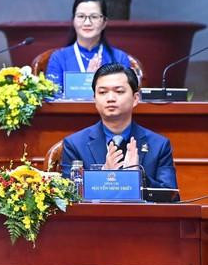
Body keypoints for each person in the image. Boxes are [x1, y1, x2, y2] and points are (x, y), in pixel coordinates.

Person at [61, 63, 178, 194]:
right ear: (95, 99)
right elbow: (67, 196)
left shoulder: (159, 145)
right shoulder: (75, 144)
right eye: (103, 92)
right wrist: (103, 178)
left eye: (119, 91)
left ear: (135, 98)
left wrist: (138, 177)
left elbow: (172, 196)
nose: (110, 98)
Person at [46, 0, 131, 93]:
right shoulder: (58, 58)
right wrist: (87, 80)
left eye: (94, 17)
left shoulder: (119, 58)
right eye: (81, 16)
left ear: (104, 22)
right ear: (73, 21)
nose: (87, 23)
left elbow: (125, 95)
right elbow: (52, 97)